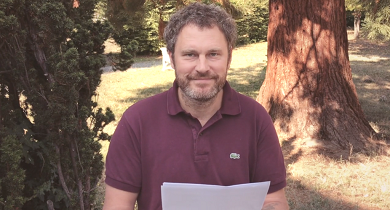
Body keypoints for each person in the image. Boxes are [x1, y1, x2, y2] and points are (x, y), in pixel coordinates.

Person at [103, 2, 288, 210]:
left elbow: (274, 200)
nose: (202, 67)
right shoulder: (136, 122)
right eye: (190, 54)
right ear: (172, 58)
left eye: (213, 54)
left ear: (229, 58)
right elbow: (117, 205)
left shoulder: (255, 119)